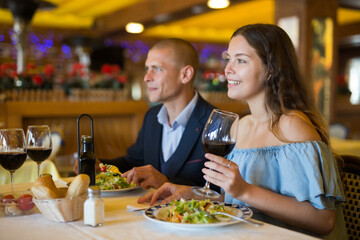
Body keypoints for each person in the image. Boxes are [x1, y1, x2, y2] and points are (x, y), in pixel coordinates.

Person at [138, 24, 346, 239]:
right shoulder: (240, 126)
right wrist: (192, 193)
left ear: (272, 69)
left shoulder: (292, 126)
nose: (227, 69)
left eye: (241, 60)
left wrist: (244, 190)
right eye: (229, 59)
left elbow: (323, 221)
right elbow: (239, 202)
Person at [74, 38, 216, 190]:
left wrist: (166, 182)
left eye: (157, 68)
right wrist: (100, 165)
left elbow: (219, 191)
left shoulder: (216, 123)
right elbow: (132, 163)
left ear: (186, 74)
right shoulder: (151, 117)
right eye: (147, 68)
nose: (146, 77)